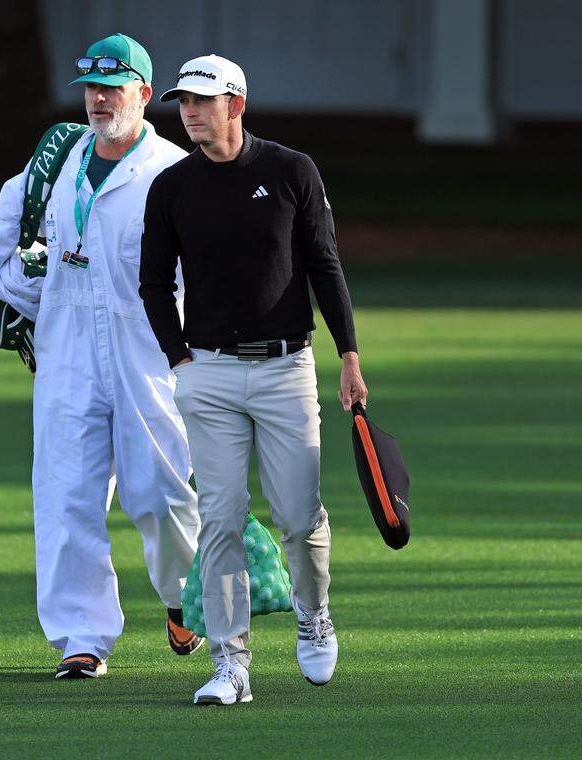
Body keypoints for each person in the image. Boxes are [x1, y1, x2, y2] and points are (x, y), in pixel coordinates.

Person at [0, 34, 203, 679]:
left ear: (144, 93)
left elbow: (203, 272)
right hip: (67, 348)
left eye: (113, 87)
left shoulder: (173, 172)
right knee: (65, 493)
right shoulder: (55, 162)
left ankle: (183, 597)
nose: (99, 100)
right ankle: (81, 637)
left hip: (147, 350)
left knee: (158, 491)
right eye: (91, 88)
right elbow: (0, 230)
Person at [139, 54, 368, 705]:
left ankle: (314, 615)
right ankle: (230, 663)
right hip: (206, 373)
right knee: (220, 520)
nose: (189, 112)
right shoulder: (172, 186)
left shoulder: (292, 171)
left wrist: (349, 356)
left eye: (202, 101)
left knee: (299, 516)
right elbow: (152, 282)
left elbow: (324, 264)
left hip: (287, 369)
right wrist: (179, 359)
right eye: (184, 102)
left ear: (235, 105)